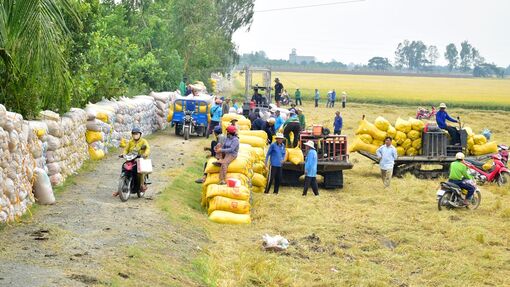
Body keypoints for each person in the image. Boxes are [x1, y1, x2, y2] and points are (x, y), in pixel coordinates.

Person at [114, 127, 151, 196]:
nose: (135, 135)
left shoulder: (143, 141)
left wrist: (145, 154)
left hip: (140, 159)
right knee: (124, 168)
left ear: (140, 134)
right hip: (131, 158)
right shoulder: (130, 142)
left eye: (137, 134)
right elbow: (126, 149)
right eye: (134, 134)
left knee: (140, 171)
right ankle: (121, 186)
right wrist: (123, 154)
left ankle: (142, 185)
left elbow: (148, 149)